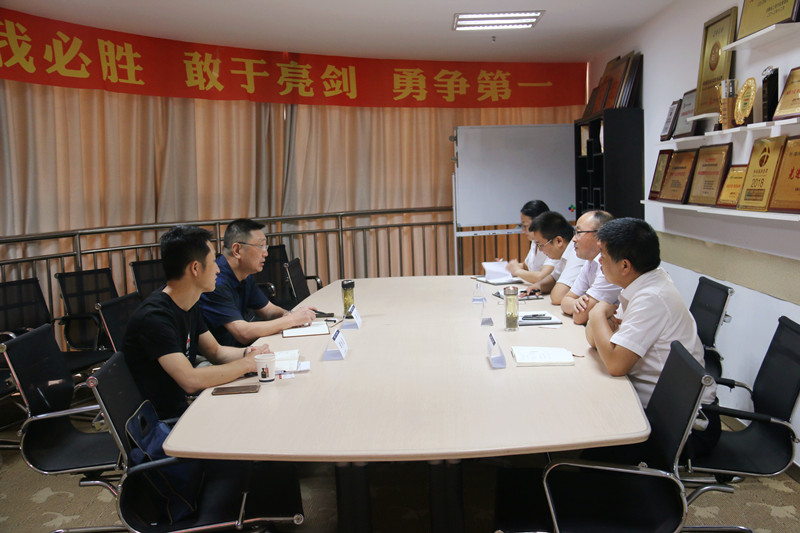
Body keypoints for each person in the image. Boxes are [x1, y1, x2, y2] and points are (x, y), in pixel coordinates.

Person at [585, 217, 719, 457]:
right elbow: (594, 341)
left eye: (603, 256)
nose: (599, 261)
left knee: (591, 436)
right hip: (658, 406)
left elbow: (615, 364)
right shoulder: (643, 283)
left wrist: (596, 313)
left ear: (625, 266)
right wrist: (600, 321)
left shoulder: (651, 297)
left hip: (679, 427)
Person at [123, 225, 272, 419]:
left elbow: (216, 351)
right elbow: (190, 380)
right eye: (213, 262)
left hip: (183, 408)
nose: (218, 269)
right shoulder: (155, 317)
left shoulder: (188, 303)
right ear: (195, 268)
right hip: (161, 422)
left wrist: (250, 354)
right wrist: (246, 364)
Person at [198, 219, 316, 347]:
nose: (266, 253)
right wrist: (291, 320)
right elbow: (242, 333)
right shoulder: (216, 281)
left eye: (266, 246)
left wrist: (288, 314)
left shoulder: (244, 274)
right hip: (226, 353)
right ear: (237, 250)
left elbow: (268, 310)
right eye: (260, 246)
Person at [559, 210, 620, 325]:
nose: (573, 239)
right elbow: (565, 301)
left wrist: (576, 306)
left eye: (578, 232)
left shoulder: (611, 265)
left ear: (599, 235)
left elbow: (580, 317)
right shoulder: (590, 262)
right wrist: (575, 303)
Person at [522, 211, 585, 305]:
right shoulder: (564, 253)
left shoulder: (576, 253)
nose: (541, 250)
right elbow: (554, 278)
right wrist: (538, 286)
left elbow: (557, 297)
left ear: (559, 241)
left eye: (541, 245)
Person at [505, 200, 558, 284]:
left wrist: (517, 271)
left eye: (525, 226)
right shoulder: (534, 241)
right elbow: (527, 266)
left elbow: (541, 277)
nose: (523, 230)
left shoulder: (554, 243)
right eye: (522, 226)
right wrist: (511, 266)